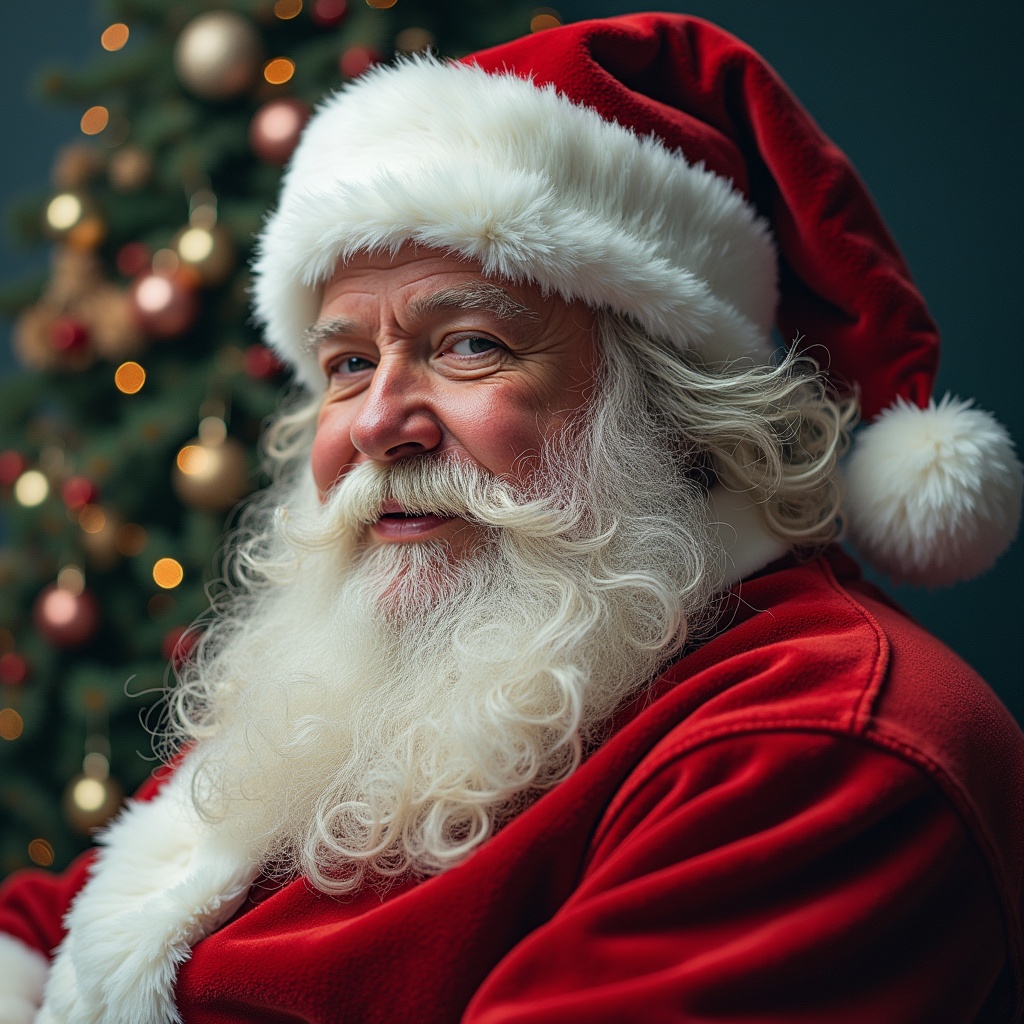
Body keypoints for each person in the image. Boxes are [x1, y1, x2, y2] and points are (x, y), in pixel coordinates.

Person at [1, 13, 1022, 1024]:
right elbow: (60, 921)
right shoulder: (403, 657)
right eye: (349, 363)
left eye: (470, 344)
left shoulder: (825, 750)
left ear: (668, 406)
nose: (377, 425)